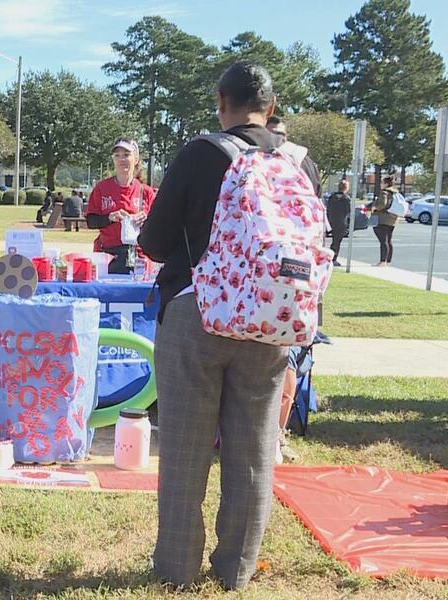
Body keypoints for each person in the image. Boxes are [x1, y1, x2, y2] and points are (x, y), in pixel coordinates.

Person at [138, 61, 320, 590]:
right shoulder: (300, 162)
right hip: (271, 317)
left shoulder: (202, 153)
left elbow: (152, 241)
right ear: (273, 105)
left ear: (222, 101)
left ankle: (176, 569)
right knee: (254, 448)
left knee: (185, 449)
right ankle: (236, 569)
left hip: (199, 313)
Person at [87, 138, 157, 274]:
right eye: (117, 156)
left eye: (126, 155)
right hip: (108, 255)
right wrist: (110, 217)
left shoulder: (146, 191)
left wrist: (146, 219)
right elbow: (91, 221)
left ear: (136, 159)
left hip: (138, 257)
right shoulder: (102, 188)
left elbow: (160, 225)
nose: (121, 159)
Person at [371, 175, 399, 266]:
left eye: (382, 183)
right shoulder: (395, 192)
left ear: (386, 184)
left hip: (383, 219)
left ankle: (383, 261)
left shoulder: (384, 193)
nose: (381, 184)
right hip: (392, 219)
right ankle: (388, 261)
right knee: (389, 240)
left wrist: (375, 207)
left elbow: (383, 204)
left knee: (383, 241)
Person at [326, 180, 352, 266]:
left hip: (331, 221)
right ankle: (333, 259)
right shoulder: (346, 198)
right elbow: (348, 211)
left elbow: (328, 209)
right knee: (337, 242)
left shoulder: (332, 197)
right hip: (341, 222)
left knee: (332, 241)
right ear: (346, 188)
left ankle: (329, 257)